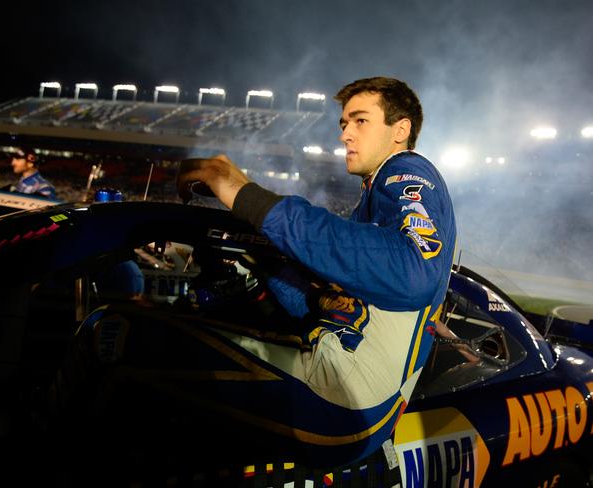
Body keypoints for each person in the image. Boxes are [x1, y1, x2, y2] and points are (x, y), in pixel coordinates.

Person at [55, 77, 457, 473]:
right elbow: (314, 305)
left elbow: (415, 271)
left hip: (343, 398)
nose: (345, 134)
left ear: (400, 129)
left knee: (110, 332)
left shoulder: (407, 170)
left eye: (360, 121)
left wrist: (245, 194)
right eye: (343, 124)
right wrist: (258, 259)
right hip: (346, 394)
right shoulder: (371, 205)